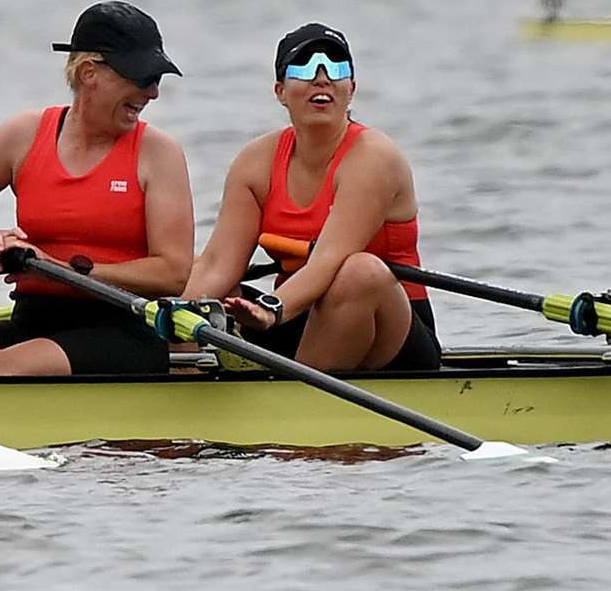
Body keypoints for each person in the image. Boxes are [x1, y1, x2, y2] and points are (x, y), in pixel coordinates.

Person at [0, 1, 192, 377]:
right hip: (33, 317)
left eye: (156, 79)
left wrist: (65, 269)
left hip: (122, 327)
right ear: (89, 73)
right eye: (142, 78)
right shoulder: (25, 135)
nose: (152, 93)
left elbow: (173, 273)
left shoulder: (158, 154)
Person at [182, 23, 440, 371]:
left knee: (360, 271)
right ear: (280, 91)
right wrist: (176, 310)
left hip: (391, 333)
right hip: (295, 316)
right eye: (304, 67)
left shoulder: (374, 158)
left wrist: (272, 309)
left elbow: (329, 261)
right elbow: (218, 266)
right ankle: (173, 375)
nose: (323, 79)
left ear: (352, 89)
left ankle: (293, 408)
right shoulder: (255, 161)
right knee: (196, 279)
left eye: (337, 68)